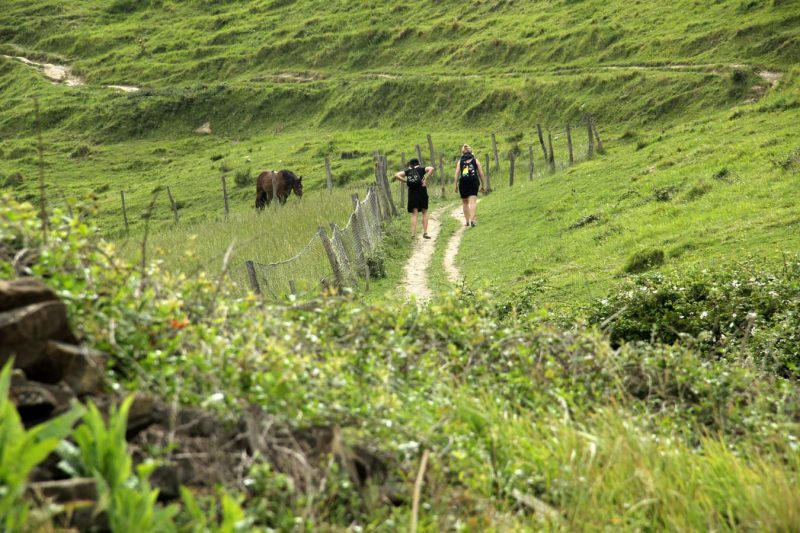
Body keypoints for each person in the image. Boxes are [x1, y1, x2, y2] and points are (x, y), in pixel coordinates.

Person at [394, 158, 435, 239]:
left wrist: (406, 181)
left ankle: (413, 234)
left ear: (410, 165)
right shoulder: (421, 169)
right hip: (422, 192)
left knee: (414, 213)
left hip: (412, 194)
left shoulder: (408, 171)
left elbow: (396, 175)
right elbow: (431, 168)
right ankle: (425, 232)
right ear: (418, 164)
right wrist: (425, 180)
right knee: (424, 212)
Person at [454, 144, 486, 227]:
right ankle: (472, 220)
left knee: (465, 202)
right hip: (473, 182)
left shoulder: (460, 162)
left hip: (463, 183)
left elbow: (457, 173)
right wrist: (483, 185)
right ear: (471, 152)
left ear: (462, 153)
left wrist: (455, 185)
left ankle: (467, 221)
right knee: (472, 202)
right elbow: (481, 173)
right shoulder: (475, 160)